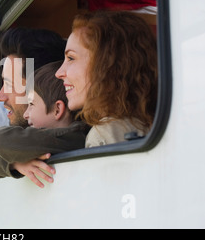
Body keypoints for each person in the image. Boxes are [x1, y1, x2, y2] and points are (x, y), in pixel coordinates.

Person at [0, 61, 89, 188]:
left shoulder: (71, 136)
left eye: (31, 104)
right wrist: (16, 164)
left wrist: (15, 158)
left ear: (57, 109)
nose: (25, 114)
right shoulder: (47, 137)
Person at [55, 10, 157, 147]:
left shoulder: (104, 135)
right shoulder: (150, 123)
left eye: (71, 58)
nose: (59, 72)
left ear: (107, 65)